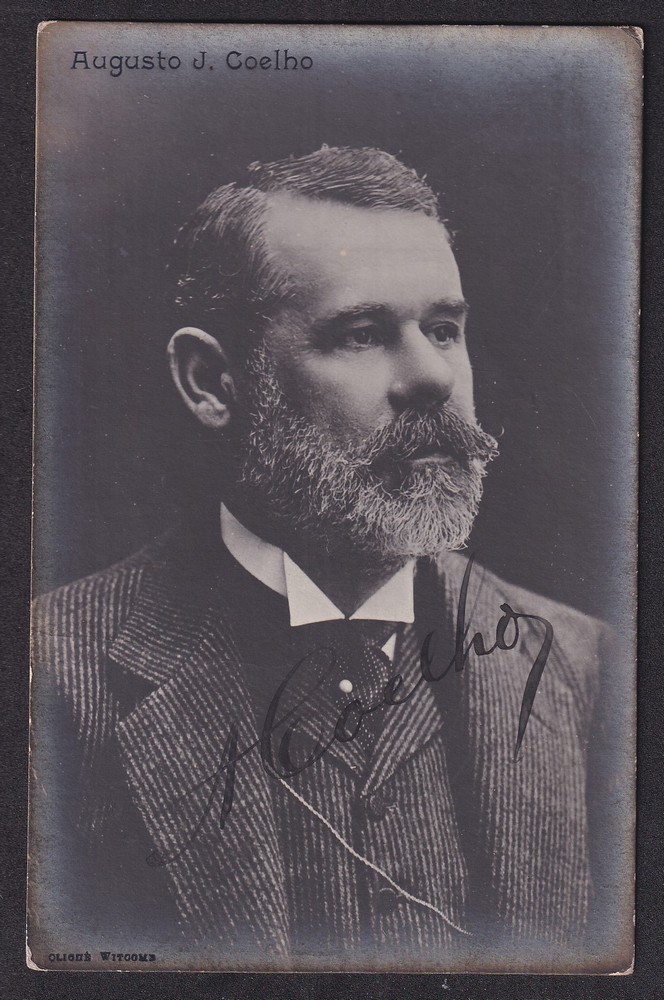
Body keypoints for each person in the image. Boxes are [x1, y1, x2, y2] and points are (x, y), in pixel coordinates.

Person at [30, 146, 611, 971]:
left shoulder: (591, 670)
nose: (433, 376)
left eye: (444, 330)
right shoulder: (48, 679)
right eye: (362, 335)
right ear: (212, 382)